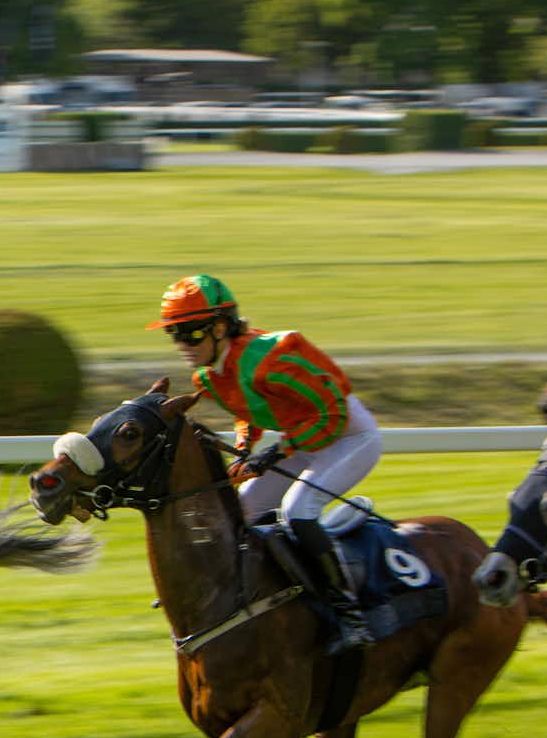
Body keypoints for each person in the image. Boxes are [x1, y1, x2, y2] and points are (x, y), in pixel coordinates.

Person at [155, 273, 379, 648]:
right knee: (240, 511)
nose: (183, 344)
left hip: (350, 437)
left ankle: (350, 614)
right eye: (175, 333)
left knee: (297, 510)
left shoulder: (269, 359)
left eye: (191, 332)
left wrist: (276, 452)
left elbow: (331, 415)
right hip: (305, 439)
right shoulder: (209, 377)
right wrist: (245, 447)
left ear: (221, 327)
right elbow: (248, 409)